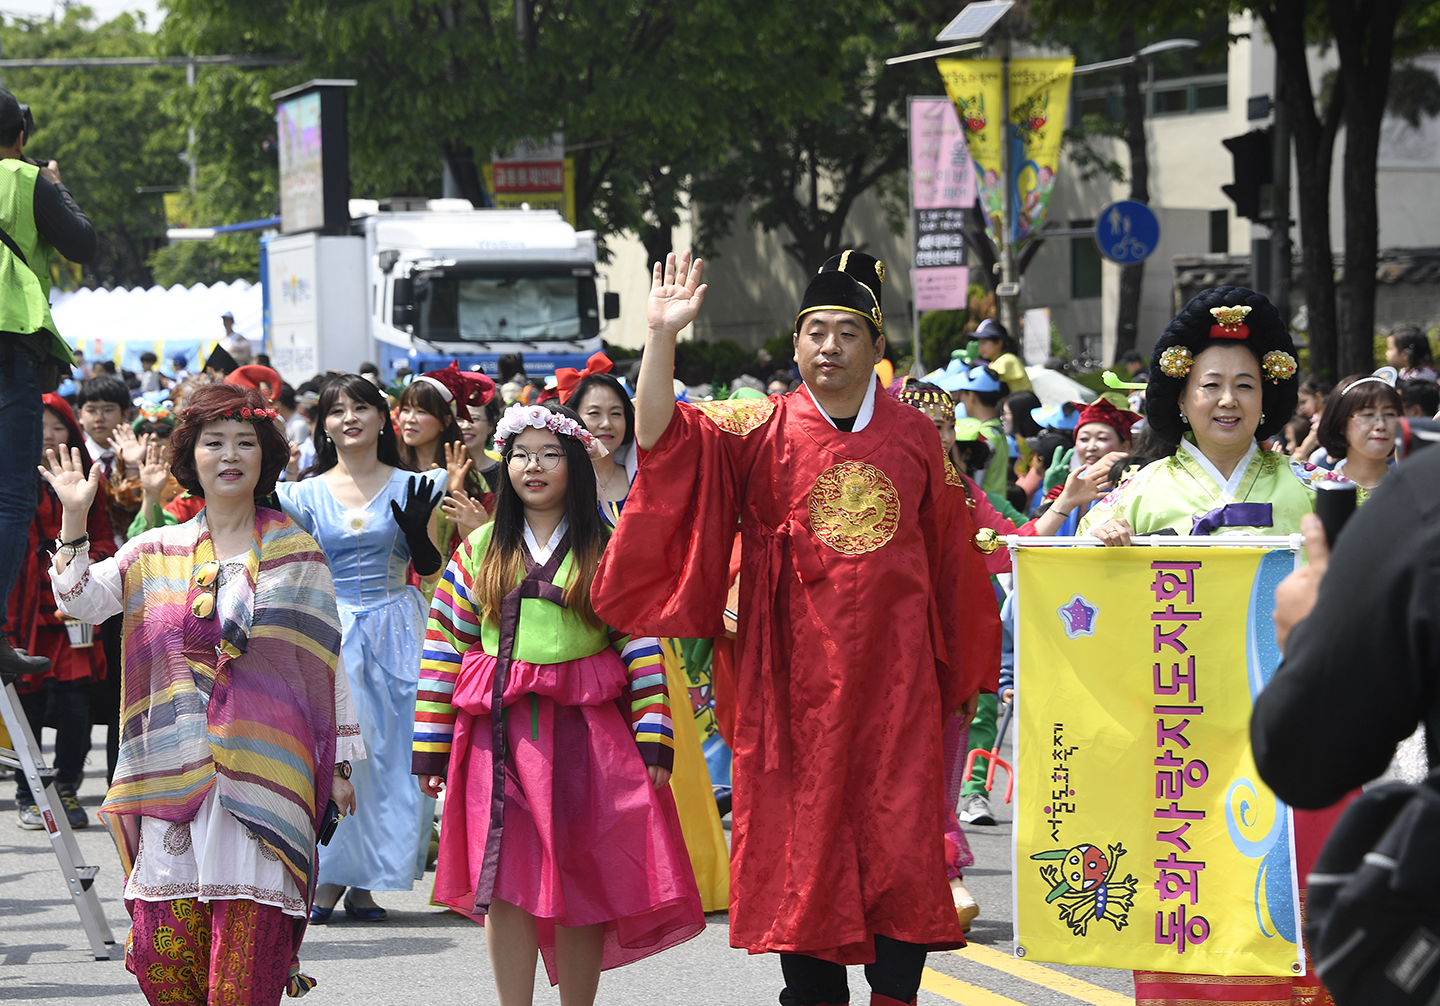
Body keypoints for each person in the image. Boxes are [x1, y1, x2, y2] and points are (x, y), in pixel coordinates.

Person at [592, 250, 1001, 1006]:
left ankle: (896, 996)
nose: (830, 347)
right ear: (795, 345)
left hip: (896, 681)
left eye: (849, 332)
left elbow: (953, 563)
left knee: (899, 836)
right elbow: (655, 438)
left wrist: (957, 673)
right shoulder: (757, 426)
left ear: (877, 350)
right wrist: (661, 337)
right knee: (801, 840)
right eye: (816, 331)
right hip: (792, 680)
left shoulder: (916, 438)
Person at [42, 382, 363, 1005]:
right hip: (169, 778)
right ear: (192, 458)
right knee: (170, 968)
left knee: (245, 978)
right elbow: (79, 601)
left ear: (267, 460)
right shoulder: (154, 549)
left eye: (246, 443)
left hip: (268, 779)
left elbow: (325, 666)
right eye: (214, 442)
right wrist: (75, 516)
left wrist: (341, 763)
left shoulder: (299, 557)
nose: (231, 455)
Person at [1077, 287, 1332, 1006]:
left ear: (1268, 398)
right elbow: (1078, 600)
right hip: (1174, 733)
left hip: (1275, 732)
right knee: (1182, 895)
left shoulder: (1304, 494)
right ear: (1180, 398)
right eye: (1210, 385)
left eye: (1245, 386)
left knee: (1275, 892)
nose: (1228, 401)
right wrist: (1098, 545)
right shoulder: (1141, 495)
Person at [412, 401, 704, 1004]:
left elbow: (641, 642)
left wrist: (654, 733)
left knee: (583, 878)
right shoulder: (480, 549)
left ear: (574, 462)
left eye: (549, 455)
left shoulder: (607, 545)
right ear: (505, 465)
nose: (533, 467)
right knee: (505, 881)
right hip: (499, 737)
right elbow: (444, 647)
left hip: (588, 740)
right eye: (520, 455)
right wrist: (431, 747)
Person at [274, 374, 446, 923]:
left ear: (381, 417)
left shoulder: (418, 485)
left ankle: (367, 882)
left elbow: (429, 567)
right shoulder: (300, 494)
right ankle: (328, 879)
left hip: (398, 627)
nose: (349, 417)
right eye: (336, 410)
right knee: (341, 753)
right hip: (332, 629)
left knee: (393, 757)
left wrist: (418, 533)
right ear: (323, 424)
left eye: (361, 407)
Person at [566, 363, 731, 913]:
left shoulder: (649, 482)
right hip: (581, 648)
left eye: (618, 413)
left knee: (665, 756)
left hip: (650, 642)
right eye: (594, 414)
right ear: (574, 420)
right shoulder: (558, 487)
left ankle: (687, 878)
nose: (607, 424)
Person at [7, 393, 115, 828]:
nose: (49, 436)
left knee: (76, 708)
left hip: (75, 616)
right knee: (26, 705)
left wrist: (78, 567)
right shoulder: (9, 480)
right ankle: (29, 792)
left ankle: (66, 786)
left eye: (58, 427)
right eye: (41, 427)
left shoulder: (91, 482)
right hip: (23, 612)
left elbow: (106, 539)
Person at [398, 362, 499, 556]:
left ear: (445, 422)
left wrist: (457, 492)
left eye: (421, 411)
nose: (410, 419)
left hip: (448, 582)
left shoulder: (468, 478)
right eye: (405, 410)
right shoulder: (389, 470)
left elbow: (480, 547)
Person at [1025, 399, 1137, 537]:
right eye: (1084, 439)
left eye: (1102, 439)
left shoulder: (1135, 485)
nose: (1091, 447)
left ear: (1125, 446)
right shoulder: (1065, 487)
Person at [1306, 373, 1401, 501]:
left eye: (1390, 414)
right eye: (1367, 414)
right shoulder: (1317, 490)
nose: (1381, 425)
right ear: (1341, 424)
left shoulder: (1414, 489)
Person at [953, 365, 1009, 499]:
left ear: (971, 396)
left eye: (962, 394)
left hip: (985, 511)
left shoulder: (981, 434)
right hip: (999, 508)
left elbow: (975, 485)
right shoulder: (998, 429)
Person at [971, 318, 1032, 393]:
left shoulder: (1007, 359)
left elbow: (983, 380)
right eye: (980, 343)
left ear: (999, 343)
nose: (981, 347)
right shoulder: (995, 362)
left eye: (984, 342)